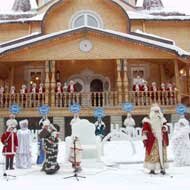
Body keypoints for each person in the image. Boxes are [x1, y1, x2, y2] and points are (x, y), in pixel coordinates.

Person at [142, 104, 169, 175]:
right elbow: (145, 130)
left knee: (162, 155)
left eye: (158, 111)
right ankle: (152, 169)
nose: (157, 113)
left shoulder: (162, 119)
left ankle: (162, 168)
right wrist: (145, 137)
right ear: (152, 112)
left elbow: (165, 125)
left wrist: (165, 128)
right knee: (152, 155)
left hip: (161, 140)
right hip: (152, 141)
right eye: (155, 111)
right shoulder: (147, 120)